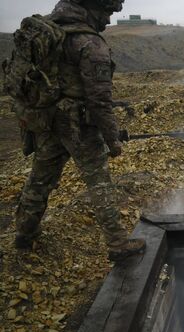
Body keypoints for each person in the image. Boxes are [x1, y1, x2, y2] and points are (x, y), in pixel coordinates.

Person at [12, 0, 145, 261]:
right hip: (78, 126)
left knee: (40, 177)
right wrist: (113, 140)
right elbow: (99, 101)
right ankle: (118, 244)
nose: (107, 20)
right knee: (99, 182)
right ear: (91, 8)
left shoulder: (50, 32)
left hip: (46, 120)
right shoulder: (89, 43)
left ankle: (24, 233)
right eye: (106, 12)